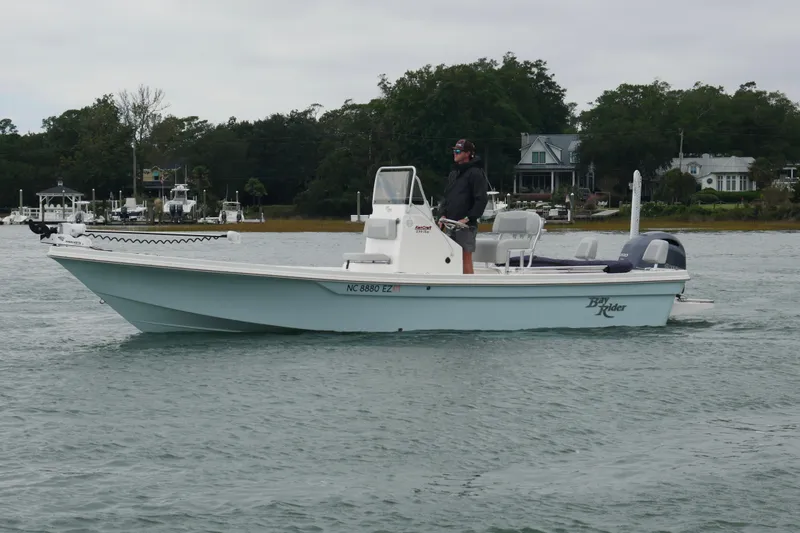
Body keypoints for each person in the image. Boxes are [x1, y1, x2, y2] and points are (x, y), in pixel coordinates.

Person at [438, 138, 489, 274]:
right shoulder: (454, 174)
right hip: (450, 223)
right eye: (454, 151)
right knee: (449, 256)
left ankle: (470, 288)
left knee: (466, 257)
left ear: (468, 154)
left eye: (458, 151)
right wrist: (442, 214)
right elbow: (446, 197)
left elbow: (481, 199)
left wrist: (468, 218)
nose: (455, 153)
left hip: (466, 225)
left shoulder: (476, 173)